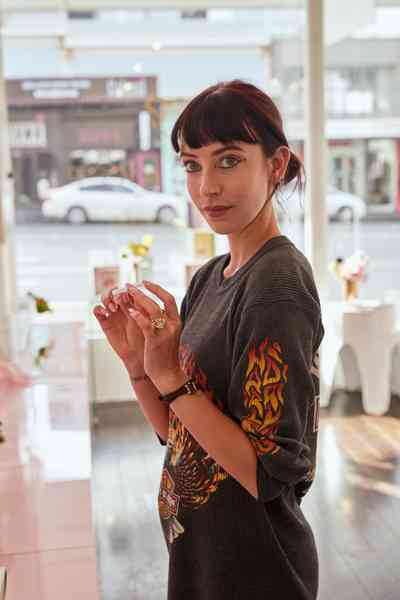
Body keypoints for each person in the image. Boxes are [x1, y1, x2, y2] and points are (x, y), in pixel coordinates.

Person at [93, 79, 325, 600]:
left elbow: (268, 474)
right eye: (192, 165)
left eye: (228, 161)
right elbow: (182, 435)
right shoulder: (211, 275)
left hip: (256, 568)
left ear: (277, 164)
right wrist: (139, 366)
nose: (206, 188)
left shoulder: (276, 285)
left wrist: (171, 376)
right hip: (203, 557)